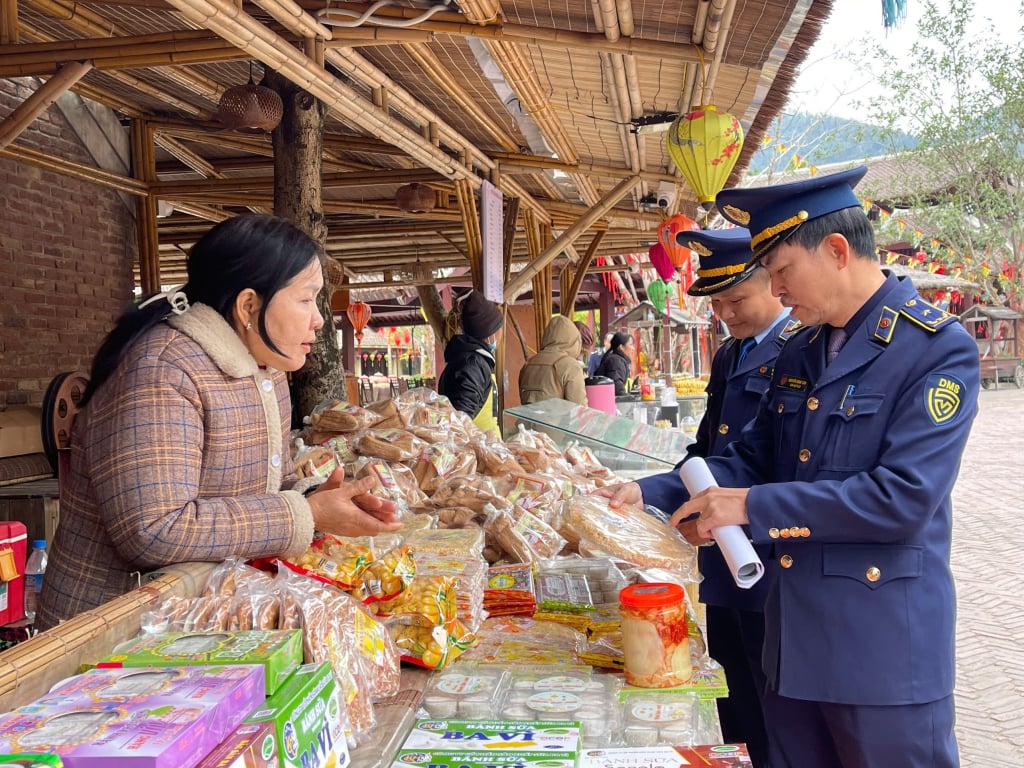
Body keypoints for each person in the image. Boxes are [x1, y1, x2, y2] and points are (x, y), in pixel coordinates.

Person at [602, 167, 979, 767]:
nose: (776, 293)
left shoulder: (934, 348)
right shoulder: (803, 348)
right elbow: (755, 455)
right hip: (793, 638)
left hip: (880, 647)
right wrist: (648, 492)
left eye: (782, 272)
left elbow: (904, 497)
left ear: (835, 251)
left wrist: (751, 508)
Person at [37, 214, 401, 631]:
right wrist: (306, 514)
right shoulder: (163, 370)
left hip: (200, 621)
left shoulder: (265, 370)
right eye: (306, 299)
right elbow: (155, 530)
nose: (319, 319)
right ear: (249, 305)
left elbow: (261, 485)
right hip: (109, 638)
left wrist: (315, 496)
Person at [638, 227, 792, 768]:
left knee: (776, 699)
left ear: (774, 283)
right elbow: (706, 450)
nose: (726, 312)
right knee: (733, 689)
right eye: (718, 302)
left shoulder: (798, 352)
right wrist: (651, 496)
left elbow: (761, 460)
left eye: (736, 299)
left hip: (769, 550)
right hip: (718, 551)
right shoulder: (731, 355)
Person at [437, 290, 505, 435]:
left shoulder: (472, 359)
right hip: (477, 451)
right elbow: (461, 420)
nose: (501, 335)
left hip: (487, 448)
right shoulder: (473, 364)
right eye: (499, 330)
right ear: (489, 334)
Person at [518, 315, 588, 405]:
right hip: (557, 419)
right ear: (574, 340)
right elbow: (579, 408)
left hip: (527, 419)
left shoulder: (527, 365)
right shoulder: (571, 366)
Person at [593, 331, 633, 395]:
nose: (632, 348)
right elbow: (617, 387)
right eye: (630, 344)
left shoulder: (615, 358)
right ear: (621, 347)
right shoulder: (616, 361)